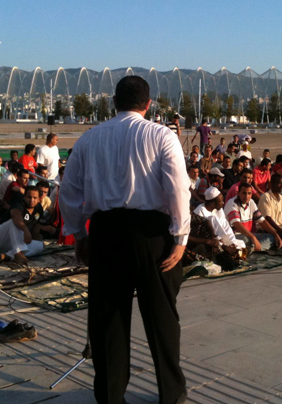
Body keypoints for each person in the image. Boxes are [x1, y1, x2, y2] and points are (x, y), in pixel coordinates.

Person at [59, 76, 189, 404]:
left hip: (105, 232)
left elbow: (69, 191)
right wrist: (181, 235)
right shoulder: (161, 135)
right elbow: (177, 188)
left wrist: (79, 234)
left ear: (113, 103)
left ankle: (110, 396)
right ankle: (171, 394)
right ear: (148, 104)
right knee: (161, 318)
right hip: (151, 235)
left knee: (108, 319)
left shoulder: (89, 139)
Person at [0, 186, 52, 265]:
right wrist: (25, 230)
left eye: (35, 198)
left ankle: (8, 256)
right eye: (29, 197)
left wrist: (34, 238)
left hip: (14, 242)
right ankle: (18, 253)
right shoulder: (19, 204)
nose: (32, 200)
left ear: (39, 199)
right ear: (24, 197)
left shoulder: (39, 208)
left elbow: (36, 225)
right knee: (15, 222)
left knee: (39, 246)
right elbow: (16, 216)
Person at [225, 182, 282, 251]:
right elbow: (237, 224)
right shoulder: (232, 203)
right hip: (237, 236)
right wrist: (253, 238)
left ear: (252, 194)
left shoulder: (251, 202)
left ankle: (250, 249)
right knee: (245, 240)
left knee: (272, 237)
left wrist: (275, 234)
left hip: (250, 235)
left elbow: (262, 221)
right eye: (244, 193)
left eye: (249, 193)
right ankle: (252, 247)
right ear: (238, 193)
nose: (246, 196)